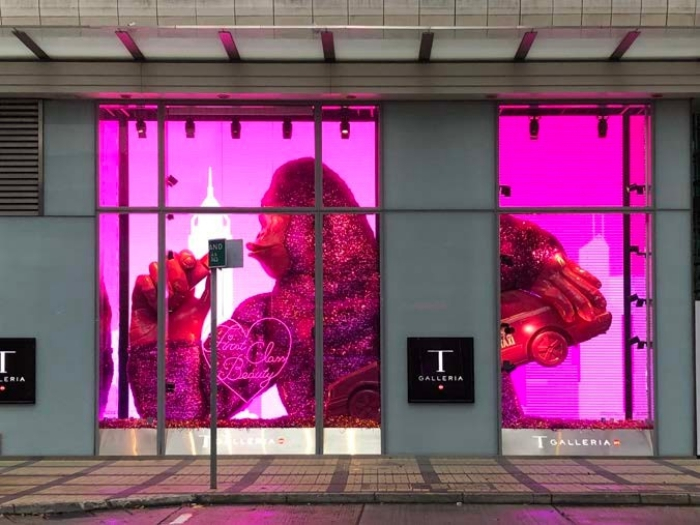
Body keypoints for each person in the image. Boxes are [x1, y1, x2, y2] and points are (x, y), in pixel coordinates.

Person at [126, 158, 610, 425]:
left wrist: (545, 261)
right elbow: (182, 417)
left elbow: (489, 238)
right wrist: (166, 343)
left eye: (268, 215)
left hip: (477, 451)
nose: (258, 235)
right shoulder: (268, 320)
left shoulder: (413, 271)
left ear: (309, 221)